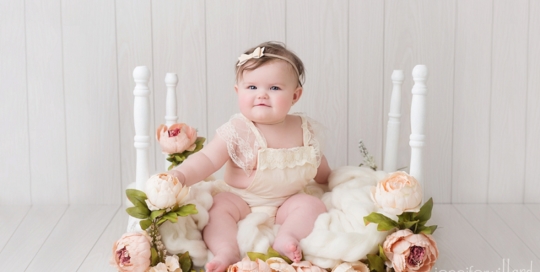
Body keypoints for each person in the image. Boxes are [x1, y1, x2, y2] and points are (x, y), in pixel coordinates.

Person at [168, 41, 331, 272]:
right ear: (238, 91)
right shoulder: (238, 129)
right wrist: (181, 175)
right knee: (217, 210)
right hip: (241, 199)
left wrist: (329, 180)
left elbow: (317, 161)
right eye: (252, 87)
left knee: (312, 205)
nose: (262, 95)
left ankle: (287, 237)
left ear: (295, 95)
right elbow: (208, 159)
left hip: (287, 201)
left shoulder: (305, 129)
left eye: (274, 88)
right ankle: (227, 250)